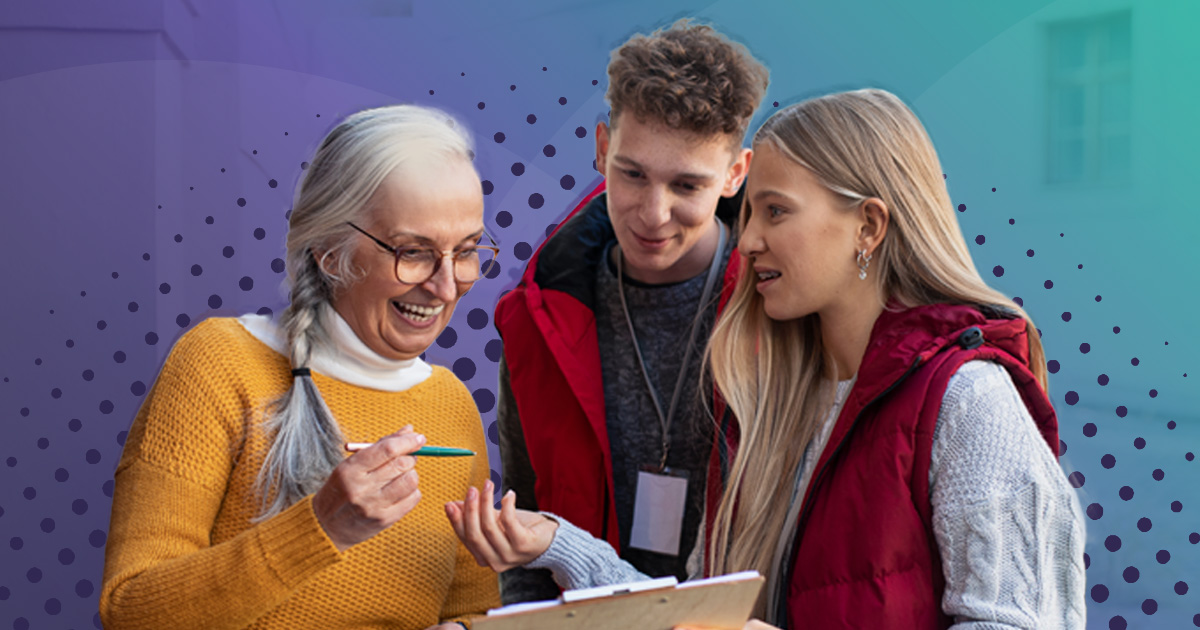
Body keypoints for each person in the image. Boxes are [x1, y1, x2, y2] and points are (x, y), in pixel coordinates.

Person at [447, 89, 1086, 629]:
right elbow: (706, 612)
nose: (747, 241)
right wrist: (559, 545)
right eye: (749, 212)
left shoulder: (970, 402)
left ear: (868, 226)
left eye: (775, 211)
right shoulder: (766, 406)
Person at [100, 105, 501, 630]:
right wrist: (320, 528)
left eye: (467, 251)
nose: (447, 287)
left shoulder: (452, 405)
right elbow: (131, 610)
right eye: (413, 252)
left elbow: (471, 610)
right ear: (330, 253)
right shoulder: (219, 363)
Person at [488, 19, 769, 603]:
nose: (653, 213)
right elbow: (528, 528)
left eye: (687, 186)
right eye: (632, 174)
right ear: (600, 149)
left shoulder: (780, 310)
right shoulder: (538, 318)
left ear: (735, 174)